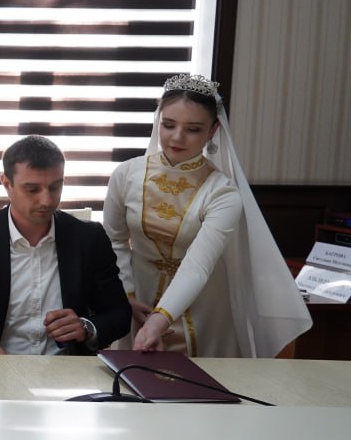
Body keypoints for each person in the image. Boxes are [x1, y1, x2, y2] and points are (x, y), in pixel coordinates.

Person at [102, 74, 311, 357]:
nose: (177, 137)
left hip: (204, 307)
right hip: (138, 299)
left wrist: (159, 319)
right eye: (168, 124)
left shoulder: (223, 192)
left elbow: (198, 265)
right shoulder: (126, 174)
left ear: (212, 131)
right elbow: (114, 241)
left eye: (193, 129)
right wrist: (126, 295)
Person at [0, 135, 130, 355]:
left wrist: (86, 328)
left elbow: (119, 314)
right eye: (32, 189)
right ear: (6, 183)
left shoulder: (89, 238)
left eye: (55, 187)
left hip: (66, 368)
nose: (46, 200)